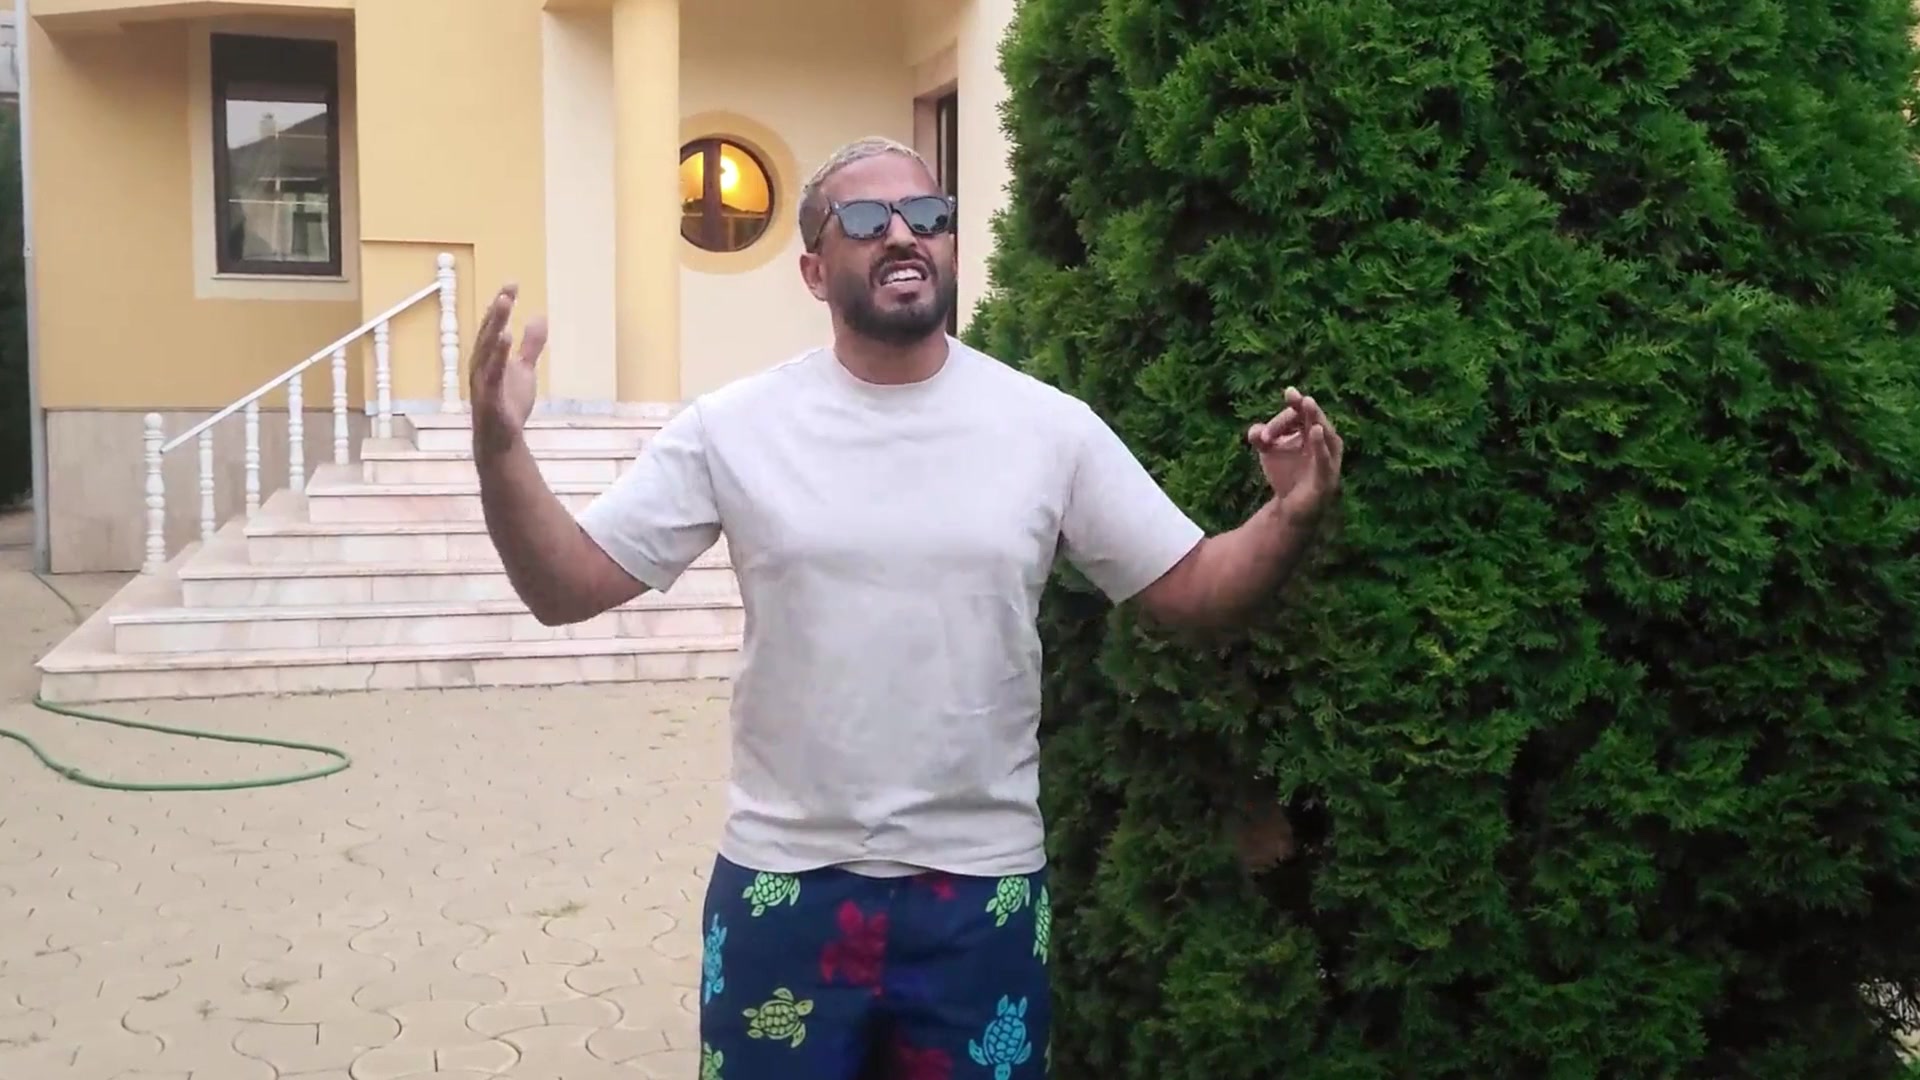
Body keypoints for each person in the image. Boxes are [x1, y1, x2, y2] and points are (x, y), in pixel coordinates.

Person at [469, 136, 1344, 1080]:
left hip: (981, 893)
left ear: (951, 246)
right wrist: (501, 450)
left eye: (927, 215)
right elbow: (565, 587)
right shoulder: (734, 428)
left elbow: (1194, 587)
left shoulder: (1047, 428)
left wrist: (1289, 514)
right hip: (784, 886)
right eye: (864, 218)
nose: (901, 234)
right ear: (814, 270)